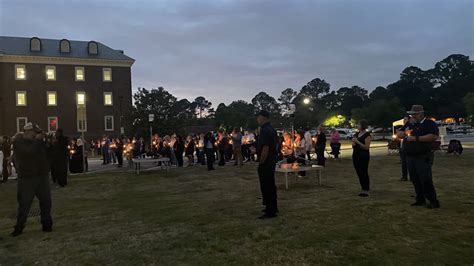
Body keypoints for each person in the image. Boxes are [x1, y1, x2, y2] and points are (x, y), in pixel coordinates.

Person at [11, 123, 53, 237]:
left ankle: (47, 225)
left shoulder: (38, 143)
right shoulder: (18, 143)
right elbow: (28, 153)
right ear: (28, 132)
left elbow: (48, 154)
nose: (37, 135)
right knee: (24, 205)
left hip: (41, 176)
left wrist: (47, 142)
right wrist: (38, 141)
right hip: (27, 178)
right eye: (35, 133)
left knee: (46, 202)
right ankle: (19, 228)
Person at [397, 105, 440, 209]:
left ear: (420, 114)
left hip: (423, 156)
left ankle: (433, 201)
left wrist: (416, 138)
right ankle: (420, 199)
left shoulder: (429, 124)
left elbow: (433, 136)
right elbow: (399, 133)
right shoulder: (410, 123)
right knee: (415, 179)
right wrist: (403, 133)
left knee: (425, 179)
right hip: (410, 156)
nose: (412, 116)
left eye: (414, 114)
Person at [256, 110, 279, 219]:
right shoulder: (271, 129)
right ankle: (273, 206)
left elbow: (266, 147)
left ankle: (270, 211)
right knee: (271, 184)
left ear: (264, 117)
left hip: (266, 162)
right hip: (272, 160)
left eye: (258, 117)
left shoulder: (265, 130)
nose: (257, 119)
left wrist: (261, 161)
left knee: (267, 185)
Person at [352, 119, 371, 197]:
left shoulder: (367, 135)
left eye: (359, 124)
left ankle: (366, 189)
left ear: (363, 125)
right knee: (359, 172)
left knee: (364, 172)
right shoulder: (356, 134)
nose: (357, 126)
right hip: (356, 155)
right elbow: (353, 145)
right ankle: (362, 188)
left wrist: (357, 142)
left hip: (363, 156)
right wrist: (353, 142)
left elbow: (366, 147)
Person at [398, 117, 411, 181]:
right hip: (403, 147)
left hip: (408, 147)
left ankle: (412, 176)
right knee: (403, 163)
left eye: (405, 119)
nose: (404, 121)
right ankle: (404, 176)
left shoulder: (410, 126)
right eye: (404, 120)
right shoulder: (403, 127)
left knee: (410, 163)